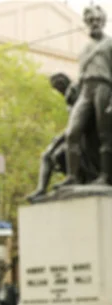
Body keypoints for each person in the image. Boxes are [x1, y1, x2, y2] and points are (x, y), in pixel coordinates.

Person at [58, 5, 112, 188]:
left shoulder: (109, 44)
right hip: (85, 90)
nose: (94, 23)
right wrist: (74, 86)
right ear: (86, 23)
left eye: (97, 20)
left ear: (103, 22)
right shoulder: (85, 48)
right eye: (91, 21)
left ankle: (105, 176)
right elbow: (82, 74)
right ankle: (72, 176)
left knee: (105, 135)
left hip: (104, 87)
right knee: (72, 133)